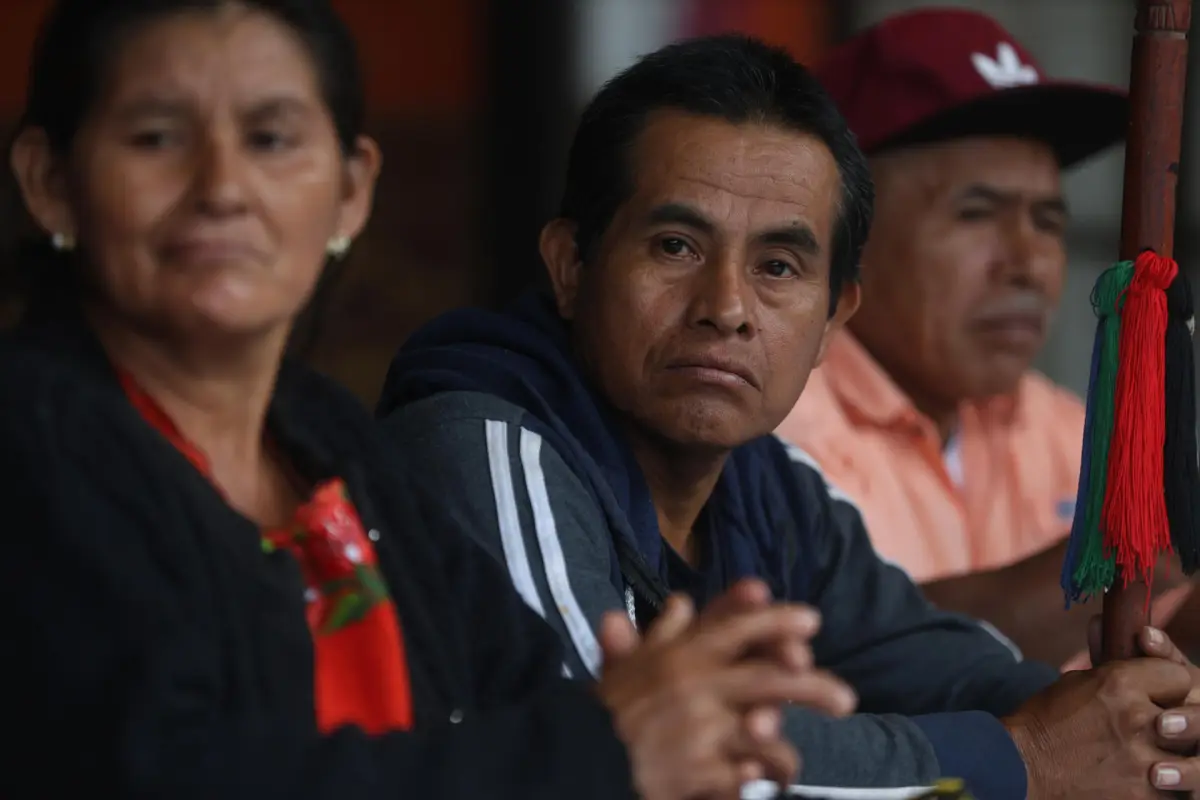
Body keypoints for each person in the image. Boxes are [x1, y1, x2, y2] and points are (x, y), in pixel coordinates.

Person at [0, 2, 861, 797]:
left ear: (350, 191)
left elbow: (526, 691)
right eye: (155, 137)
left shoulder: (323, 439)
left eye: (271, 140)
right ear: (50, 182)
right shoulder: (33, 447)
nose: (223, 187)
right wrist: (604, 747)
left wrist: (680, 713)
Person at [378, 33, 1200, 799]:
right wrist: (1026, 759)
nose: (727, 307)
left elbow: (930, 659)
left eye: (778, 265)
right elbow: (636, 752)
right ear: (570, 265)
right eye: (676, 247)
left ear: (832, 319)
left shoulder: (762, 482)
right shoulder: (483, 445)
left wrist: (1124, 723)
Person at [773, 7, 1197, 669]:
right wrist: (1141, 541)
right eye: (977, 214)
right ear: (840, 232)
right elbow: (835, 661)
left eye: (1048, 221)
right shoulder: (769, 421)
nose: (1028, 261)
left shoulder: (1059, 428)